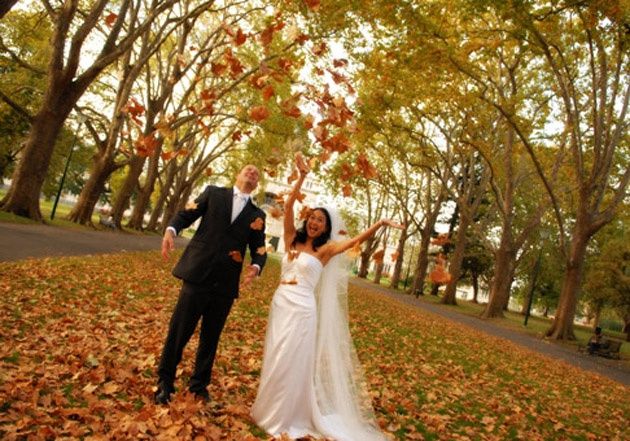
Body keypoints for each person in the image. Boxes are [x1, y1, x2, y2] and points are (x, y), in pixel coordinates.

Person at [251, 153, 401, 440]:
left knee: (291, 360)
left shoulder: (326, 251)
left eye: (320, 220)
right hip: (281, 303)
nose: (314, 223)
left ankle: (288, 415)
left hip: (304, 310)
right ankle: (267, 409)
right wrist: (303, 175)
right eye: (312, 218)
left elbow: (355, 242)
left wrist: (380, 223)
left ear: (325, 227)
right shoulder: (291, 239)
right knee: (275, 355)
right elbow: (291, 204)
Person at [155, 164, 267, 404]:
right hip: (197, 273)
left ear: (257, 184)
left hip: (225, 283)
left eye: (256, 173)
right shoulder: (214, 193)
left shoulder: (258, 215)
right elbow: (187, 214)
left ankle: (198, 387)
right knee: (179, 331)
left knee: (211, 337)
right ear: (237, 174)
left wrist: (256, 266)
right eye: (248, 169)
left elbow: (259, 248)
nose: (252, 173)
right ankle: (165, 381)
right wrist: (171, 229)